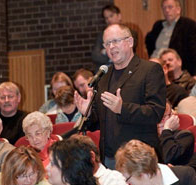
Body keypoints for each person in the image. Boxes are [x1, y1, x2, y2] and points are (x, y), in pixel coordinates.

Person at [75, 23, 166, 169]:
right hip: (109, 159)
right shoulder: (104, 76)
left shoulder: (149, 70)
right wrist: (89, 112)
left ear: (130, 42)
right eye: (107, 43)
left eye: (115, 41)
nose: (111, 47)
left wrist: (122, 109)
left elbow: (155, 112)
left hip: (139, 158)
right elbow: (99, 120)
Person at [69, 134, 134, 185]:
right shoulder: (70, 180)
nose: (69, 166)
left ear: (91, 157)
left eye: (74, 161)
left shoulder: (112, 178)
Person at [145, 0, 196, 78]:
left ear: (178, 9)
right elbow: (149, 44)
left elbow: (193, 52)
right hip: (154, 66)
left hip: (173, 69)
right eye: (164, 8)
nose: (167, 10)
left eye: (170, 7)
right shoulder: (158, 25)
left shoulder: (188, 25)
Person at [91, 4, 138, 71]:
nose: (109, 20)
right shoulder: (102, 35)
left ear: (119, 16)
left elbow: (126, 52)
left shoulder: (130, 32)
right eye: (106, 18)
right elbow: (95, 56)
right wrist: (115, 53)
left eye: (111, 16)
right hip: (106, 70)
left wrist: (105, 52)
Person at [157, 101, 194, 165]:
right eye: (157, 116)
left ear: (172, 117)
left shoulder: (185, 136)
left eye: (164, 116)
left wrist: (167, 129)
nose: (160, 120)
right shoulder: (146, 136)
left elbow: (167, 158)